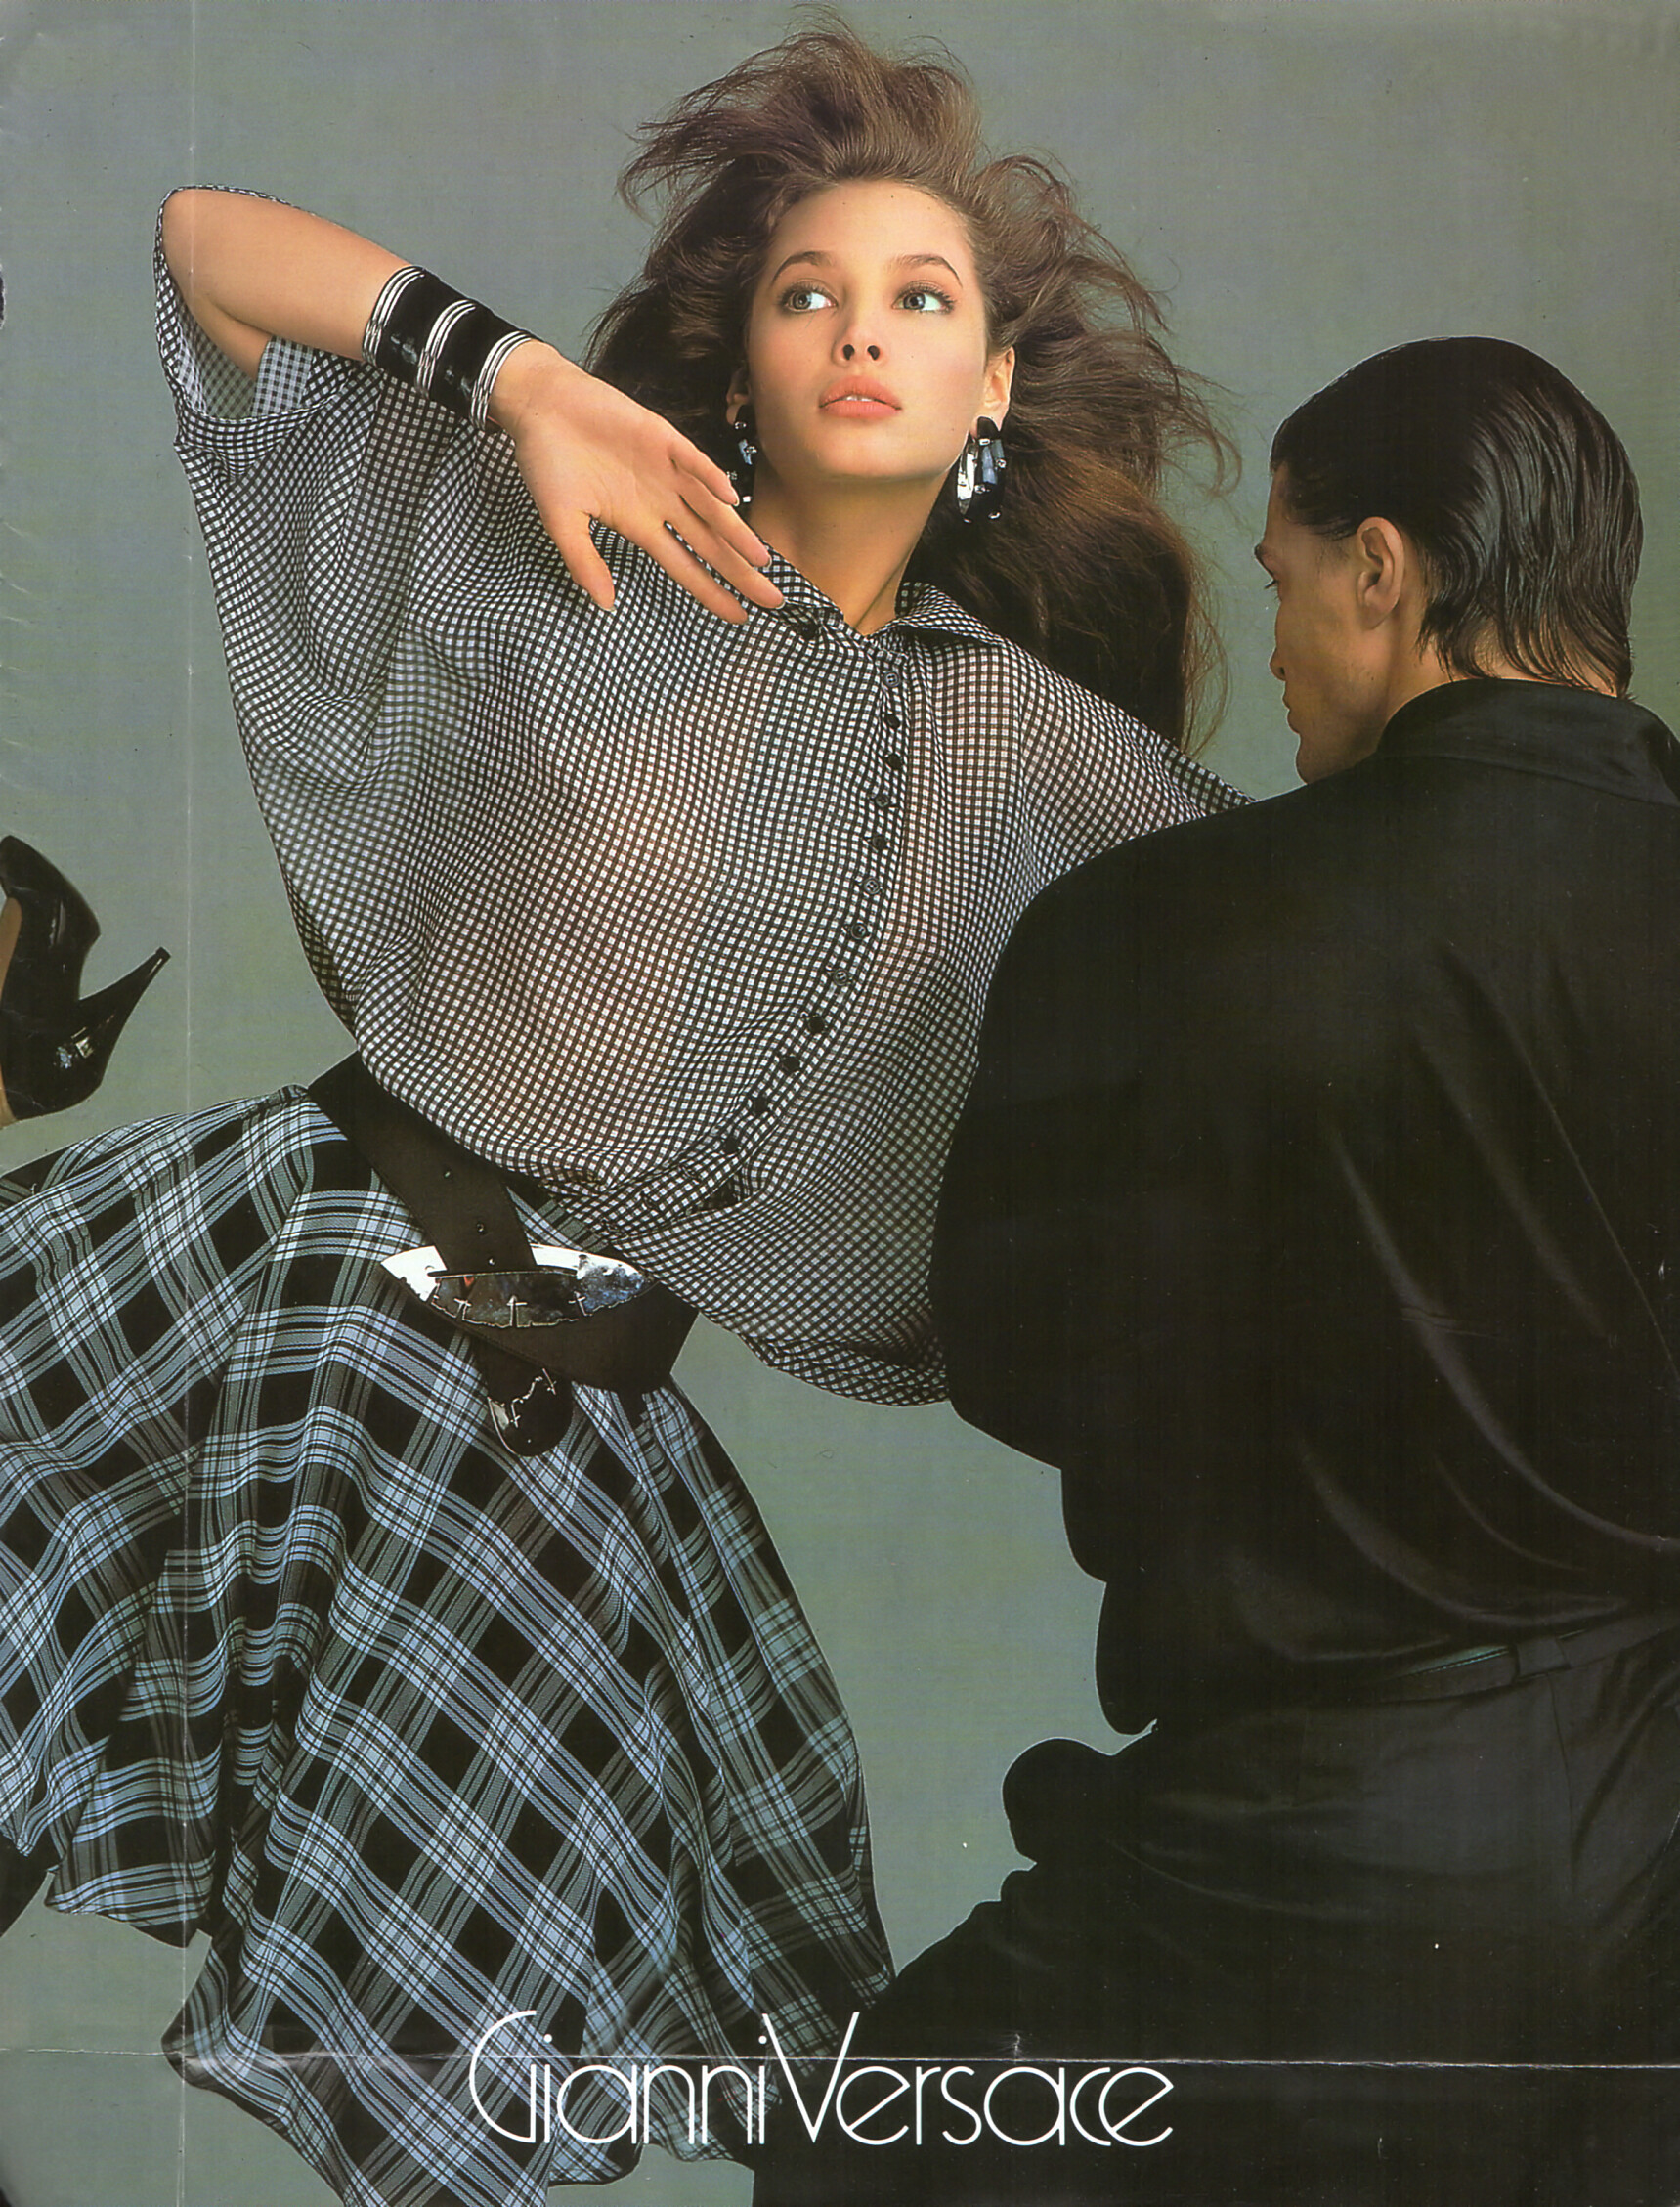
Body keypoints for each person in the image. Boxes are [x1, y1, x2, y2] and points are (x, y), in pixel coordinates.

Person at [0, 22, 1238, 2207]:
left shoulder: (1052, 766)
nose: (858, 331)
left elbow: (1319, 944)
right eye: (805, 292)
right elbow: (202, 248)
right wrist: (504, 378)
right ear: (740, 363)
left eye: (918, 299)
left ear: (989, 392)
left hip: (539, 1432)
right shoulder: (568, 529)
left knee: (641, 2073)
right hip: (281, 1278)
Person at [756, 338, 1680, 2207]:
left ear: (1382, 570)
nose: (1271, 652)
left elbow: (1011, 1358)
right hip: (1657, 1854)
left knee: (849, 2152)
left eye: (1281, 581)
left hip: (1299, 1851)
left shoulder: (1150, 921)